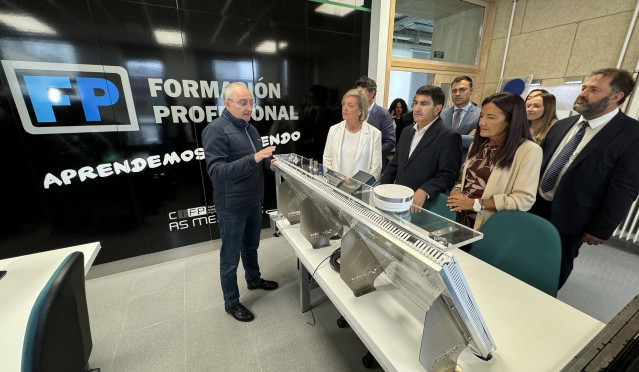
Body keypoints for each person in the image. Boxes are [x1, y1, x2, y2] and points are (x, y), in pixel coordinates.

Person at [530, 68, 639, 289]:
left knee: (553, 267)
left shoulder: (631, 134)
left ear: (616, 97)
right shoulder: (562, 125)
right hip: (535, 205)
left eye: (594, 90)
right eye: (584, 88)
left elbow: (625, 187)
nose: (583, 93)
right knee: (524, 253)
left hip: (574, 216)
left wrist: (601, 228)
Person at [202, 82, 279, 322]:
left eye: (250, 102)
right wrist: (254, 158)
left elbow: (259, 161)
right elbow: (217, 171)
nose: (248, 108)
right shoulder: (215, 129)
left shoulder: (251, 129)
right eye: (242, 103)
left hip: (254, 202)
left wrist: (271, 163)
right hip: (232, 207)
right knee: (230, 256)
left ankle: (253, 279)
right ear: (227, 104)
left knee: (251, 246)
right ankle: (231, 301)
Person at [447, 93, 542, 230]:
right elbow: (463, 180)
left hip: (490, 224)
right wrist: (456, 192)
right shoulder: (478, 145)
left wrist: (475, 204)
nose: (481, 122)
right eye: (481, 116)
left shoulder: (528, 151)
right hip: (460, 217)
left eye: (491, 117)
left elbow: (524, 200)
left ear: (510, 121)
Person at [380, 85, 461, 209]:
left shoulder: (449, 136)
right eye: (415, 103)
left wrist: (425, 190)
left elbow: (448, 175)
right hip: (398, 200)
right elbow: (395, 164)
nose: (417, 108)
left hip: (425, 206)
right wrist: (379, 188)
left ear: (437, 109)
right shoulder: (406, 131)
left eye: (424, 104)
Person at [323, 89, 382, 179]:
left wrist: (361, 187)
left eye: (350, 105)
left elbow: (376, 167)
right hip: (335, 186)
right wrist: (334, 181)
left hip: (361, 189)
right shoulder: (333, 130)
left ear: (361, 110)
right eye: (344, 104)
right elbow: (327, 160)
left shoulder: (374, 134)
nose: (345, 108)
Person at [354, 76, 396, 169]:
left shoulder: (383, 114)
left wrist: (372, 154)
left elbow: (390, 141)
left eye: (362, 93)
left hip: (373, 165)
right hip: (354, 162)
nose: (359, 97)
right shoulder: (354, 111)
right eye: (357, 93)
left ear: (372, 93)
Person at [439, 76, 481, 163]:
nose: (457, 94)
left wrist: (445, 139)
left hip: (465, 163)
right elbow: (435, 138)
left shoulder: (480, 114)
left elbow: (478, 141)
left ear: (471, 90)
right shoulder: (441, 114)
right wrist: (466, 138)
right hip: (441, 162)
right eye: (454, 91)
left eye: (462, 89)